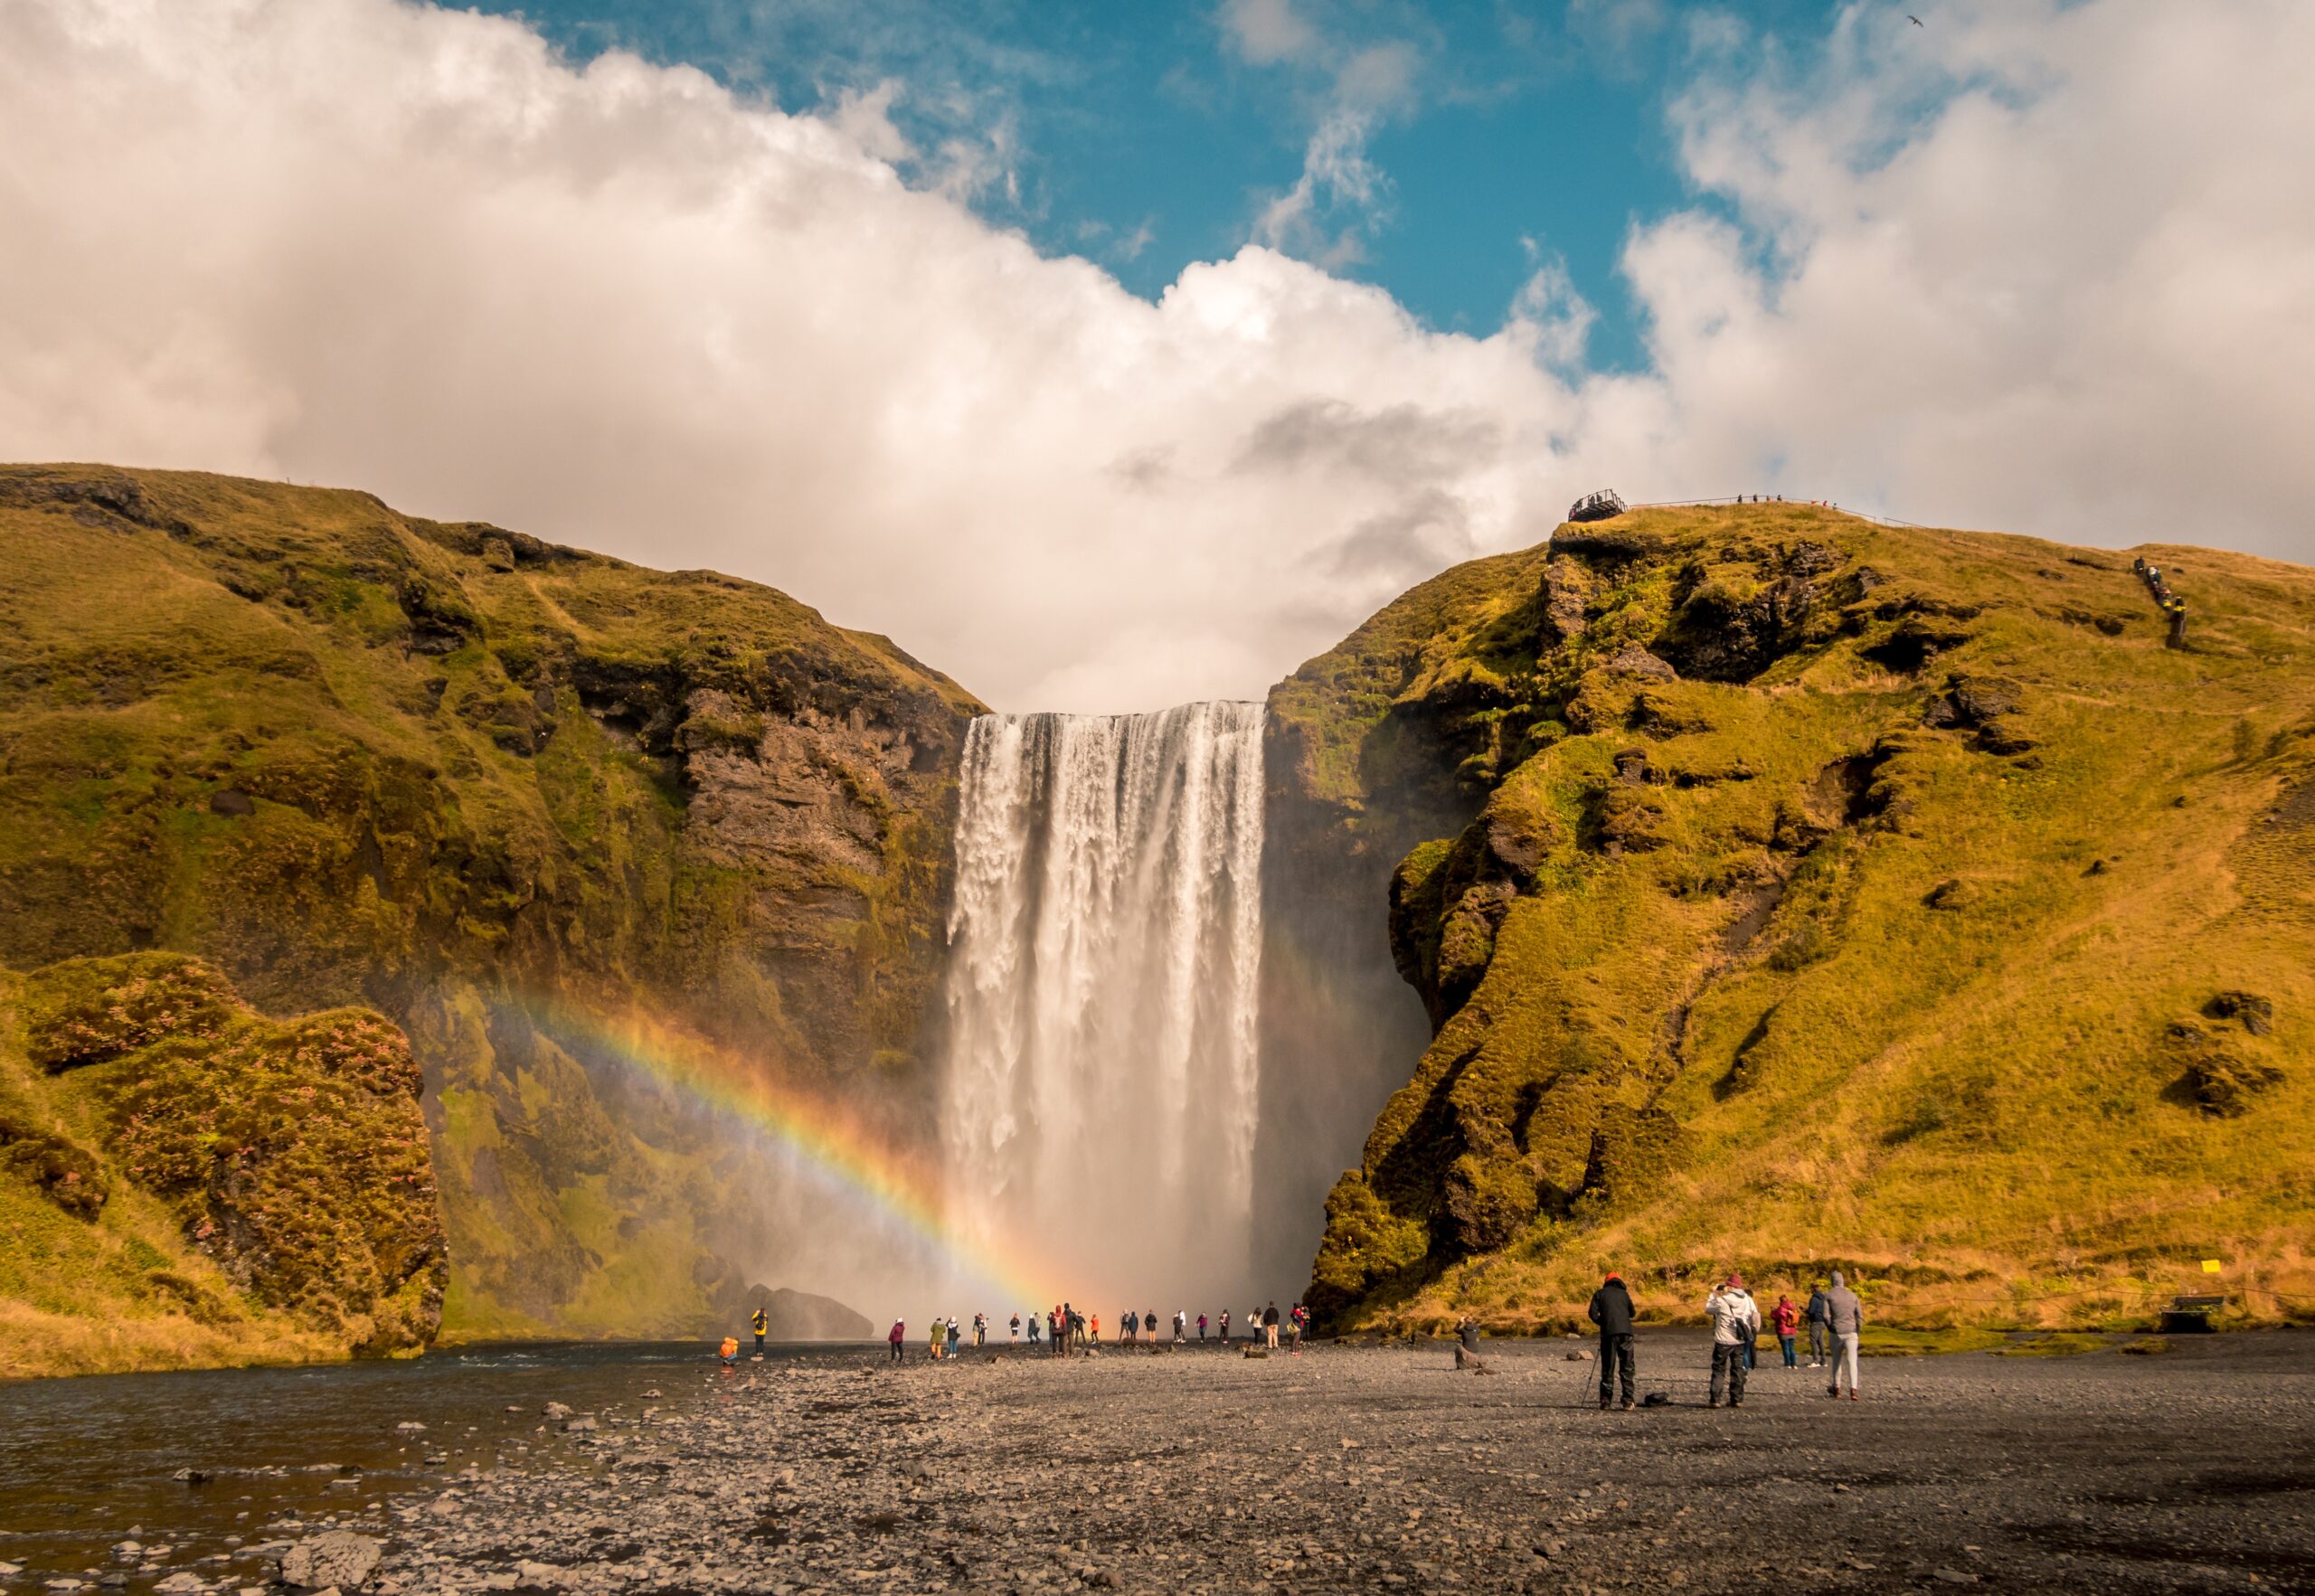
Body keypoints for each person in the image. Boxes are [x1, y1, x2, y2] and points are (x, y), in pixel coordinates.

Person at [1706, 1273, 1761, 1409]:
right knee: (1737, 1370)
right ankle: (1737, 1399)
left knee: (1718, 1369)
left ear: (1728, 1286)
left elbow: (1708, 1310)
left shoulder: (1722, 1300)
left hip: (1723, 1339)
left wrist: (1713, 1294)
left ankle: (1715, 1400)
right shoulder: (1748, 1299)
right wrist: (1753, 1331)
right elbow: (1755, 1315)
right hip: (1740, 1339)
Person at [1587, 1271, 1637, 1411]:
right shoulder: (1624, 1294)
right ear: (1619, 1281)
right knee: (1627, 1368)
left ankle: (1606, 1401)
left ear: (1606, 1281)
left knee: (1608, 1368)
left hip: (1609, 1334)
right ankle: (1628, 1401)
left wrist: (1603, 1322)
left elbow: (1592, 1313)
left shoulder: (1599, 1294)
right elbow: (1632, 1313)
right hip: (1626, 1333)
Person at [1825, 1271, 1865, 1400]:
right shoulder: (1852, 1295)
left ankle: (1837, 1388)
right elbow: (1859, 1316)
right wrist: (1857, 1330)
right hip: (1851, 1331)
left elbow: (1826, 1316)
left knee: (1837, 1362)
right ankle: (1854, 1390)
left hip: (1836, 1331)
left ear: (1832, 1281)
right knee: (1852, 1362)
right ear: (1843, 1281)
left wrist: (1831, 1326)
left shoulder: (1829, 1295)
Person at [1806, 1281, 1831, 1368]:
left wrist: (1805, 1310)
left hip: (1815, 1322)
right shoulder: (1823, 1298)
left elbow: (1811, 1311)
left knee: (1813, 1341)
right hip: (1822, 1322)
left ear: (1813, 1288)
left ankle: (1815, 1360)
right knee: (1821, 1341)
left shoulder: (1814, 1299)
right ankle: (1823, 1361)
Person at [1772, 1294, 1800, 1368]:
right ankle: (1794, 1364)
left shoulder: (1781, 1309)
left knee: (1786, 1348)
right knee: (1791, 1348)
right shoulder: (1793, 1308)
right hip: (1792, 1330)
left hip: (1784, 1331)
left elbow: (1774, 1316)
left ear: (1781, 1301)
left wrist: (1772, 1311)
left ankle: (1787, 1364)